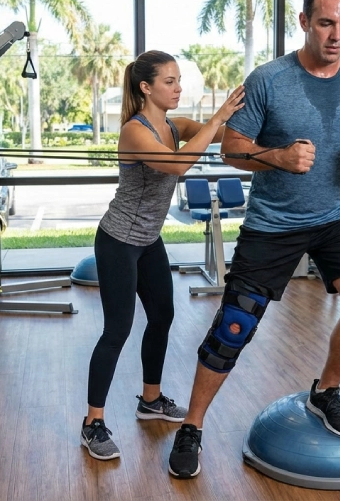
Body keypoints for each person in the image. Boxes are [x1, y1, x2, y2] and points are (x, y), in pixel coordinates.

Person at [167, 0, 340, 479]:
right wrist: (278, 157)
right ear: (304, 22)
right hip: (274, 223)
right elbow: (232, 148)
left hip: (337, 215)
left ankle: (326, 390)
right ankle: (193, 425)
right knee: (234, 325)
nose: (336, 34)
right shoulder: (269, 78)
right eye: (326, 23)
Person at [81, 50, 245, 461]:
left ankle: (150, 399)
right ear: (146, 87)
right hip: (119, 240)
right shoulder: (135, 132)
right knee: (117, 330)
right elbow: (176, 167)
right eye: (169, 81)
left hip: (148, 240)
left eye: (178, 80)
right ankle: (92, 422)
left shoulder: (174, 125)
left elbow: (227, 137)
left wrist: (267, 134)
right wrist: (217, 117)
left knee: (163, 316)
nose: (177, 87)